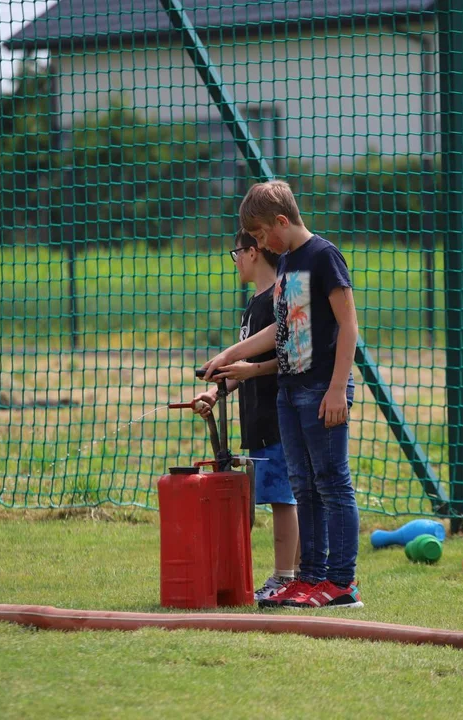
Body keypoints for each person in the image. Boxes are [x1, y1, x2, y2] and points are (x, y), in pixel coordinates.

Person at [202, 180, 363, 610]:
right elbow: (284, 329)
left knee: (332, 484)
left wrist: (335, 390)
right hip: (290, 392)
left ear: (280, 221)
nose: (259, 245)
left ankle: (342, 583)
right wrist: (229, 355)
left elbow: (348, 326)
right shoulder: (290, 262)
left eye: (258, 236)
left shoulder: (324, 256)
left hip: (321, 390)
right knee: (304, 487)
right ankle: (309, 578)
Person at [192, 229, 300, 602]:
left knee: (284, 501)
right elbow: (247, 363)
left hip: (278, 419)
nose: (235, 258)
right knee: (279, 498)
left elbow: (288, 359)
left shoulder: (279, 300)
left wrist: (248, 371)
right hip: (256, 421)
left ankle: (286, 576)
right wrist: (215, 389)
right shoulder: (253, 304)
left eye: (237, 251)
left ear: (253, 252)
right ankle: (296, 573)